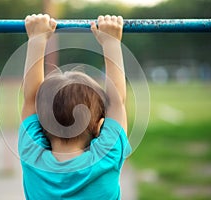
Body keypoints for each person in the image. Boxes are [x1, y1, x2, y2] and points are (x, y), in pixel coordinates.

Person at [19, 14, 131, 199]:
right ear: (98, 125)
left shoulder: (32, 155)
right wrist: (111, 42)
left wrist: (36, 39)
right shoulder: (106, 157)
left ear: (40, 123)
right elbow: (116, 101)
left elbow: (31, 99)